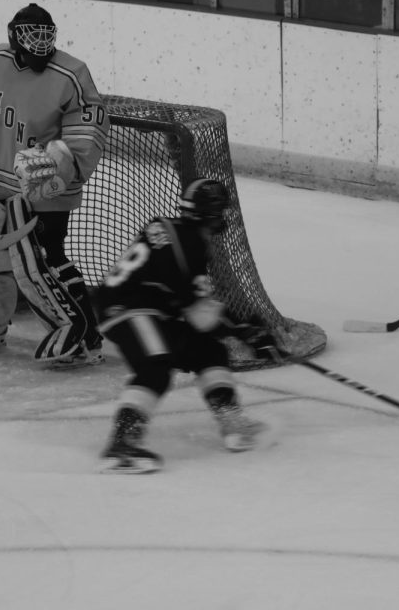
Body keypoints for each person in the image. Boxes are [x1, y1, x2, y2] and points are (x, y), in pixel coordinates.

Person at [0, 2, 109, 367]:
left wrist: (59, 166)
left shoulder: (71, 74)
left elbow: (87, 132)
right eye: (31, 36)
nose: (40, 44)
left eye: (47, 36)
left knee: (44, 263)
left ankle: (83, 334)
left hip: (45, 194)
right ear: (14, 36)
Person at [93, 178, 282, 474]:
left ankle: (232, 423)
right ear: (210, 215)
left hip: (151, 308)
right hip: (126, 308)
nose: (224, 219)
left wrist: (240, 328)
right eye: (220, 212)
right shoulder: (191, 244)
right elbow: (201, 312)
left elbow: (192, 304)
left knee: (208, 349)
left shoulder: (176, 232)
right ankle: (121, 446)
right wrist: (248, 332)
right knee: (156, 366)